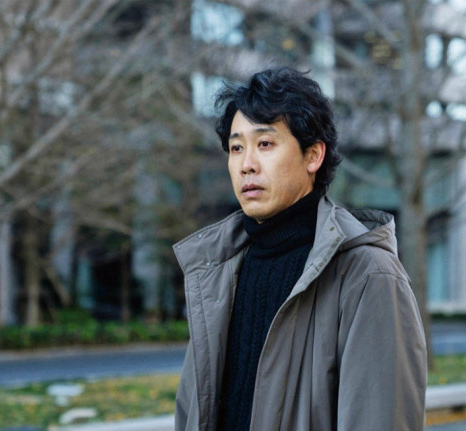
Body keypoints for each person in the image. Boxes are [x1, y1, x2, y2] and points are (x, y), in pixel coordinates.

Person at [173, 67, 427, 431]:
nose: (246, 165)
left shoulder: (367, 273)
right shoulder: (217, 270)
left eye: (265, 144)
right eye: (236, 148)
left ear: (313, 156)